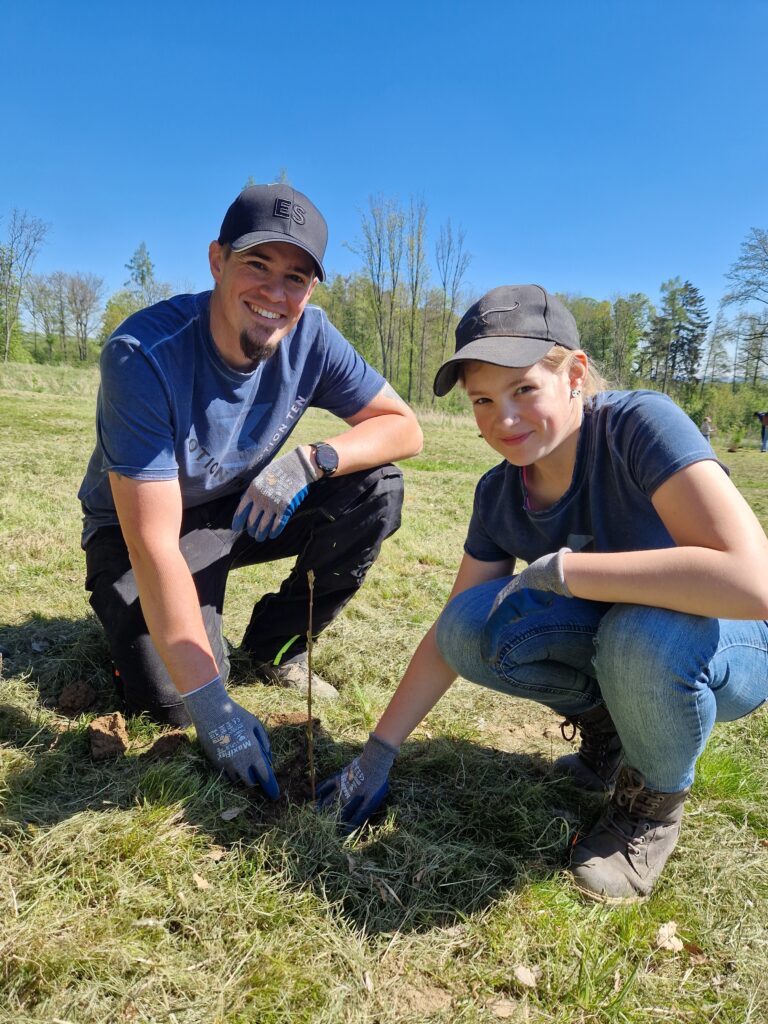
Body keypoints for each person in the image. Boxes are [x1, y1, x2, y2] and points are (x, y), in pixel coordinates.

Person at [318, 284, 768, 905]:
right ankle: (612, 730)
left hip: (722, 641)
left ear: (575, 374)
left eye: (524, 389)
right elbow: (455, 633)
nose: (503, 419)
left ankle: (651, 805)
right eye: (483, 399)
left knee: (642, 631)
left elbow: (754, 582)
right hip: (617, 641)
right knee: (472, 625)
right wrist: (377, 753)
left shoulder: (638, 426)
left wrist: (573, 572)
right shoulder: (499, 493)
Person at [79, 183, 423, 799]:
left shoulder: (313, 338)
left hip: (240, 506)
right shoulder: (143, 355)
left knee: (376, 488)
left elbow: (405, 427)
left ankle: (274, 647)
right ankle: (152, 628)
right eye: (256, 266)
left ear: (311, 289)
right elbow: (154, 543)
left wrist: (312, 460)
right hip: (143, 527)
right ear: (217, 260)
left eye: (295, 277)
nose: (274, 293)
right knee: (172, 699)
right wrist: (213, 710)